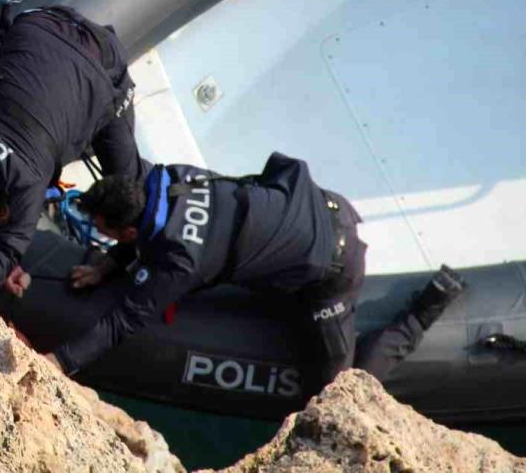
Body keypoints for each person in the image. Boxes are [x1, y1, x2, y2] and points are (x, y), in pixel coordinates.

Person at [48, 154, 466, 395]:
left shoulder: (179, 262)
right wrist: (109, 265)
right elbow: (147, 230)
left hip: (333, 267)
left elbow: (122, 321)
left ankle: (422, 312)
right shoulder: (172, 176)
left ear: (127, 231)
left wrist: (59, 361)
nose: (104, 237)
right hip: (321, 204)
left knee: (341, 389)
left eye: (106, 231)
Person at [0, 4, 143, 303]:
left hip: (101, 62)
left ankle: (124, 258)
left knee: (128, 191)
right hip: (42, 22)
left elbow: (6, 249)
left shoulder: (26, 181)